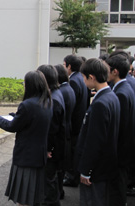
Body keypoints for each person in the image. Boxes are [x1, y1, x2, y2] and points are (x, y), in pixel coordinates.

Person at [0, 70, 53, 206]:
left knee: (24, 198)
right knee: (33, 196)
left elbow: (13, 126)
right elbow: (29, 120)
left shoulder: (27, 105)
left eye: (25, 83)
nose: (24, 85)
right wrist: (16, 115)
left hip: (26, 156)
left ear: (31, 85)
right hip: (39, 155)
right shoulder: (47, 101)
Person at [76, 58, 120, 206]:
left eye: (83, 77)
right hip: (106, 165)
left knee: (92, 201)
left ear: (91, 77)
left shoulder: (100, 103)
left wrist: (86, 170)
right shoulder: (111, 96)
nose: (82, 81)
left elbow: (95, 141)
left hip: (96, 169)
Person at [106, 55, 135, 206]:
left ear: (115, 71)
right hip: (124, 149)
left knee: (117, 189)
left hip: (120, 151)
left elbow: (120, 127)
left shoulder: (121, 93)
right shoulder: (125, 88)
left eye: (107, 69)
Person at [37, 65, 66, 206]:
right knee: (51, 183)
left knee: (49, 186)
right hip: (56, 148)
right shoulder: (56, 93)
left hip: (52, 151)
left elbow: (52, 130)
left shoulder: (53, 100)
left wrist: (49, 149)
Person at [62, 54, 88, 187]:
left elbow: (71, 104)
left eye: (64, 64)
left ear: (69, 66)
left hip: (74, 122)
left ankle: (72, 177)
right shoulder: (81, 78)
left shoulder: (73, 81)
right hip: (80, 119)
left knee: (72, 151)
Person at [54, 64, 76, 200]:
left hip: (61, 134)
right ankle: (59, 192)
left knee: (57, 169)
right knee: (60, 169)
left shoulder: (61, 92)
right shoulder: (68, 88)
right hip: (67, 131)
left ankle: (58, 193)